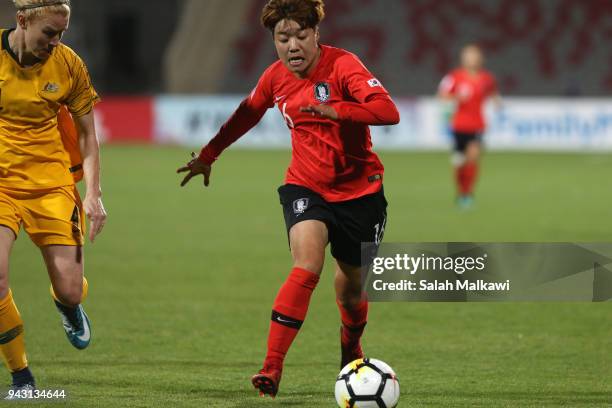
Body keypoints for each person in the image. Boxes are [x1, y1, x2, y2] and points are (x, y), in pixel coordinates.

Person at [177, 0, 399, 398]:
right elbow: (247, 113)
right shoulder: (274, 78)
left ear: (316, 34)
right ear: (274, 42)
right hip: (306, 187)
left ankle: (350, 347)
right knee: (307, 265)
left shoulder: (344, 65)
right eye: (283, 38)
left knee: (350, 291)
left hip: (360, 192)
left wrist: (340, 110)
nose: (292, 45)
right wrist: (208, 155)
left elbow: (388, 111)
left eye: (300, 35)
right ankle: (271, 367)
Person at [0, 0, 106, 396]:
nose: (56, 42)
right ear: (22, 21)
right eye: (49, 33)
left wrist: (93, 194)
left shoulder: (68, 63)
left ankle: (68, 307)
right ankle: (22, 377)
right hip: (2, 187)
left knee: (70, 288)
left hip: (51, 185)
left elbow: (86, 136)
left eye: (62, 33)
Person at [438, 44, 500, 209]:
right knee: (459, 163)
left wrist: (497, 103)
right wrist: (457, 97)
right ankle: (461, 192)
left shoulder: (487, 78)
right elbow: (442, 96)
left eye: (474, 55)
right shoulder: (454, 77)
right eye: (468, 55)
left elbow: (493, 94)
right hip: (459, 126)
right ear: (463, 58)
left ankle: (468, 194)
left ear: (480, 59)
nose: (471, 58)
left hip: (477, 125)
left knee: (473, 156)